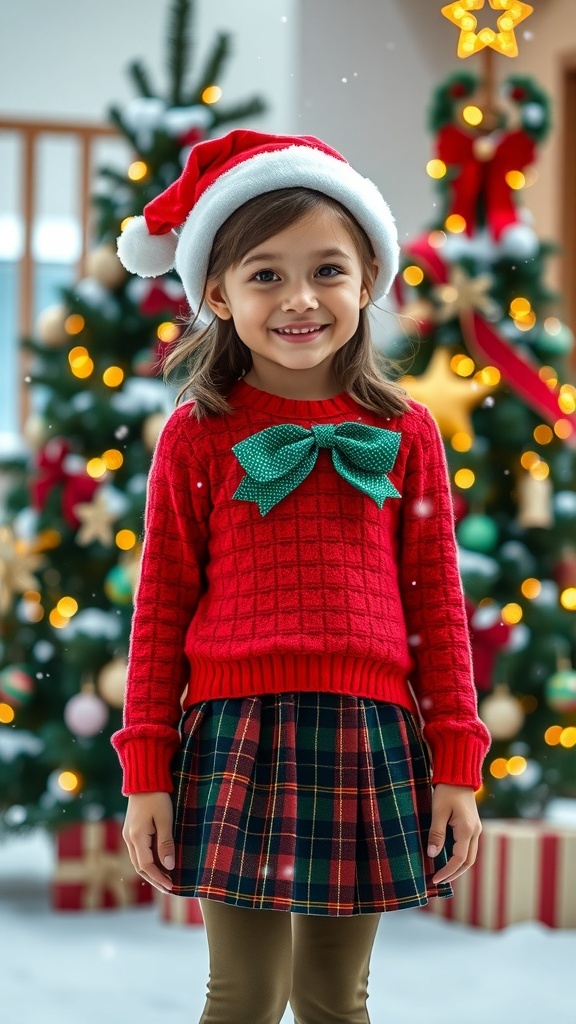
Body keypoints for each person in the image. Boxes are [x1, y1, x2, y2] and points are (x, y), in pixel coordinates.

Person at [112, 129, 492, 1024]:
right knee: (242, 995)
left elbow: (438, 606)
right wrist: (146, 774)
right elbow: (160, 609)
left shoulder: (407, 433)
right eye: (266, 274)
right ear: (217, 293)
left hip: (368, 737)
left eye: (327, 270)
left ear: (369, 281)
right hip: (233, 739)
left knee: (334, 999)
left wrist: (459, 766)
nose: (300, 299)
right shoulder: (196, 435)